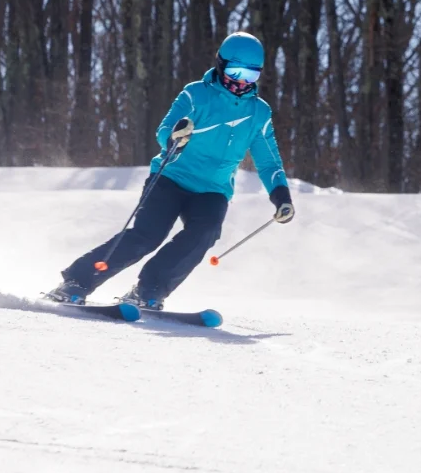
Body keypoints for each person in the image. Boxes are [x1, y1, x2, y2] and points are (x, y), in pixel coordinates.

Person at [48, 32, 295, 310]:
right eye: (236, 71)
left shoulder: (258, 113)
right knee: (147, 235)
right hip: (171, 177)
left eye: (250, 75)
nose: (241, 81)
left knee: (205, 233)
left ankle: (149, 289)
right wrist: (175, 138)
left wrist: (281, 196)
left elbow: (268, 161)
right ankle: (77, 281)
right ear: (221, 65)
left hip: (212, 190)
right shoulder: (196, 94)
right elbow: (166, 127)